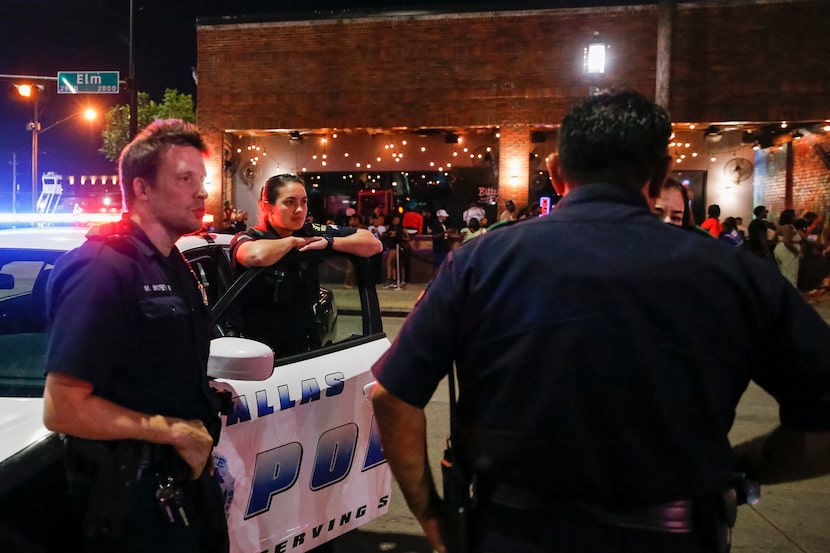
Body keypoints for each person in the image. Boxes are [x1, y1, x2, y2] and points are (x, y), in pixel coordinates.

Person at [370, 91, 830, 553]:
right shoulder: (736, 274)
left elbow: (392, 396)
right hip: (673, 534)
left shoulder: (479, 262)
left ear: (555, 172)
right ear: (661, 171)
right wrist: (749, 462)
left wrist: (435, 520)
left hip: (511, 531)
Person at [42, 119, 229, 553]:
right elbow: (63, 407)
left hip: (178, 486)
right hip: (132, 497)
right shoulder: (103, 267)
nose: (201, 192)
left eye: (201, 180)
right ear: (142, 189)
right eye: (185, 179)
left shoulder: (171, 262)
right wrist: (173, 431)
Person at [229, 173, 381, 354]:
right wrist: (293, 242)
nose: (300, 210)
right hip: (256, 352)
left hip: (305, 348)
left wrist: (330, 243)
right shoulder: (250, 237)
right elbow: (255, 256)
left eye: (304, 201)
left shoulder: (311, 231)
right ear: (267, 207)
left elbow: (373, 243)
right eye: (290, 202)